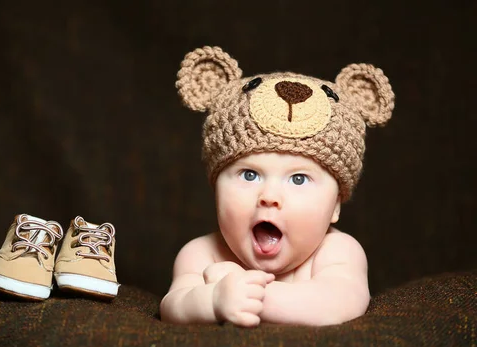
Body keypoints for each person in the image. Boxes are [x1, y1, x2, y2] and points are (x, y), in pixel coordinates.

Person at [160, 46, 395, 327]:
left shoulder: (338, 251)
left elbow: (340, 302)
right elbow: (172, 306)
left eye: (298, 179)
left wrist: (255, 297)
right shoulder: (202, 253)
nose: (269, 197)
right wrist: (213, 300)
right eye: (249, 175)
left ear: (335, 206)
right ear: (216, 191)